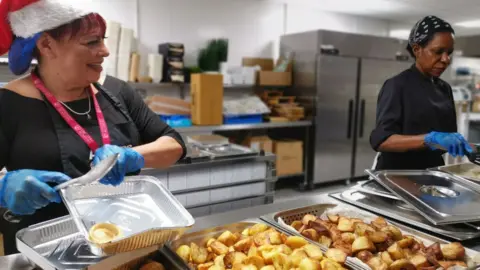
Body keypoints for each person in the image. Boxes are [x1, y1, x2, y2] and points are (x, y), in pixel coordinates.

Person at [0, 0, 186, 254]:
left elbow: (174, 143)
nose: (106, 51)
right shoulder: (9, 104)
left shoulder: (117, 92)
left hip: (124, 244)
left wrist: (133, 156)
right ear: (46, 44)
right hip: (46, 252)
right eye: (92, 42)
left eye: (103, 40)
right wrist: (3, 189)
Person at [370, 16, 472, 170]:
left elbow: (447, 136)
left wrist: (461, 144)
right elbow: (382, 140)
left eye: (449, 52)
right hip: (398, 176)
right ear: (417, 50)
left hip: (433, 173)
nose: (446, 59)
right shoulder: (397, 85)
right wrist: (430, 139)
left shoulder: (444, 88)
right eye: (438, 51)